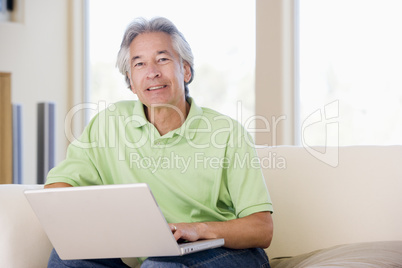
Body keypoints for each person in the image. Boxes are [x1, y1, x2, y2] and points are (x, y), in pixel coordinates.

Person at [45, 17, 273, 267]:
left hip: (227, 252)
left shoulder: (228, 132)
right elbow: (59, 189)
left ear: (185, 70)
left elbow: (261, 229)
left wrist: (198, 229)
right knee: (67, 257)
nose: (152, 72)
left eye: (162, 59)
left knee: (159, 265)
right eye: (139, 64)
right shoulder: (108, 124)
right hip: (155, 257)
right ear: (131, 81)